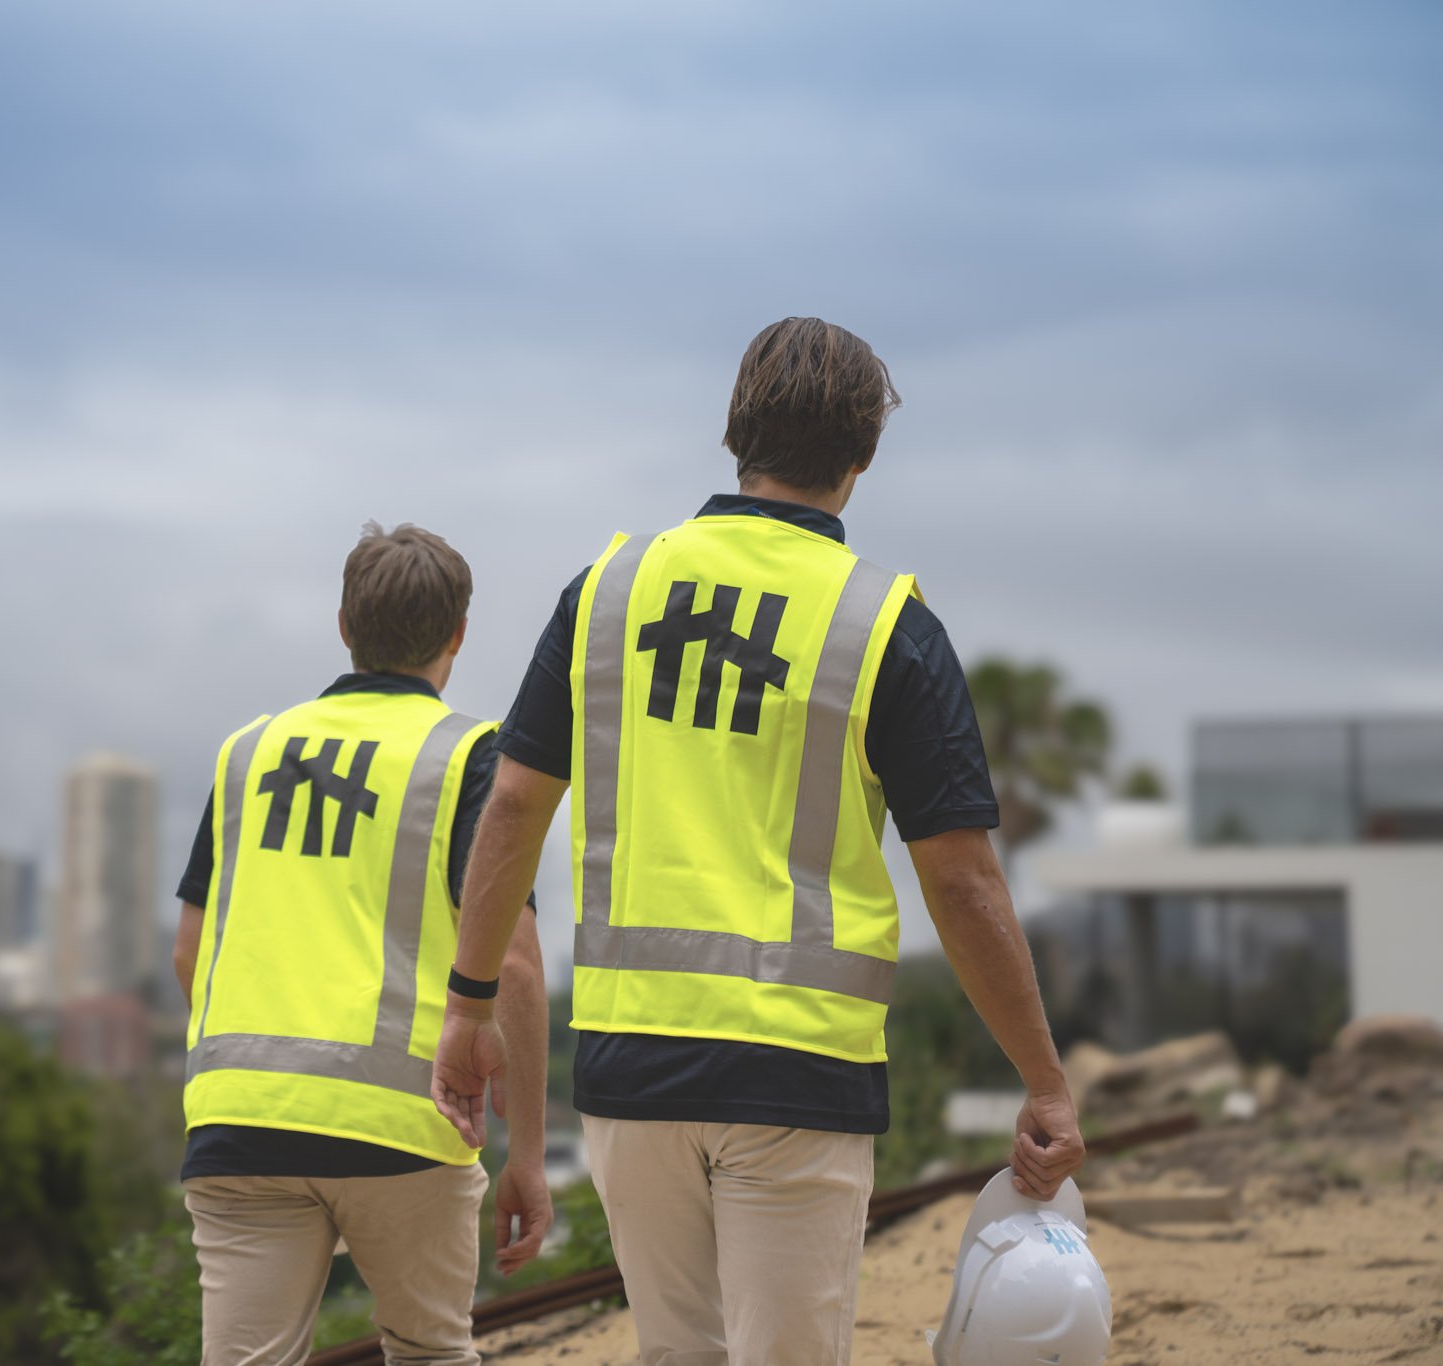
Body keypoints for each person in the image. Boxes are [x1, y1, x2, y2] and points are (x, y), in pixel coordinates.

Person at [429, 318, 1086, 1366]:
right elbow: (960, 884)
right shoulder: (883, 623)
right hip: (797, 1072)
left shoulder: (607, 591)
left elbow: (510, 806)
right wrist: (1044, 1082)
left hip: (629, 1068)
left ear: (734, 431)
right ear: (861, 458)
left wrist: (468, 1008)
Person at [174, 521, 551, 1366]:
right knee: (428, 1351)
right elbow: (516, 967)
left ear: (344, 624)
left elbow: (188, 955)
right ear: (458, 633)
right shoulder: (468, 760)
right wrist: (528, 1150)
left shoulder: (247, 752)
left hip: (240, 1123)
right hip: (405, 1125)